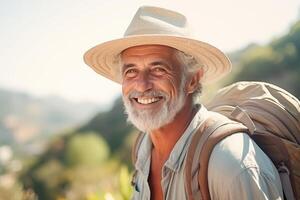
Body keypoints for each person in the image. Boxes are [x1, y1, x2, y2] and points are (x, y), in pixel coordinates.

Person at [84, 6, 283, 200]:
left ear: (192, 80)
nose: (142, 85)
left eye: (158, 69)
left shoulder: (230, 165)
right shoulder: (142, 151)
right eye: (131, 71)